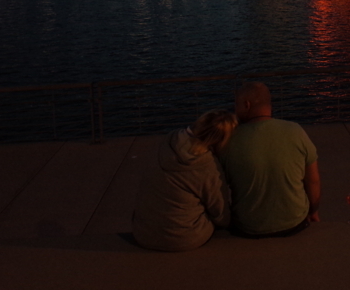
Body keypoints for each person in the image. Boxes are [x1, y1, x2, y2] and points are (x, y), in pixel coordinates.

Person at [220, 81, 320, 237]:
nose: (235, 110)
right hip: (295, 222)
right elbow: (313, 181)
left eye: (236, 105)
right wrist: (313, 210)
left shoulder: (229, 141)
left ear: (247, 105)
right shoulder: (296, 131)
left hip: (249, 227)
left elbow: (217, 190)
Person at [132, 109, 238, 252]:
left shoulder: (169, 142)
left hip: (143, 232)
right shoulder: (207, 167)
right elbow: (221, 215)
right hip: (181, 237)